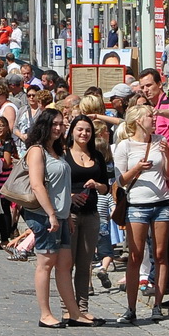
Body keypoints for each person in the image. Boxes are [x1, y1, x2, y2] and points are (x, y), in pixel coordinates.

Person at [19, 118, 90, 326]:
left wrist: (65, 214)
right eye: (54, 124)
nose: (58, 128)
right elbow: (37, 185)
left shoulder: (57, 151)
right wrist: (51, 213)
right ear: (44, 125)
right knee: (46, 263)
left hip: (60, 214)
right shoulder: (37, 150)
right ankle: (45, 314)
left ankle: (73, 312)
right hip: (44, 214)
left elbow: (63, 188)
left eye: (61, 124)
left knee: (65, 264)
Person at [113, 104, 169, 325]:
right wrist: (137, 168)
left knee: (160, 254)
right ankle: (131, 307)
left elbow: (168, 174)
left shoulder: (160, 141)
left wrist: (167, 155)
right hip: (137, 205)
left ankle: (157, 305)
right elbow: (120, 181)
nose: (154, 118)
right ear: (139, 120)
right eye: (150, 116)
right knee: (135, 256)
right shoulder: (125, 146)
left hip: (162, 203)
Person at [65, 115, 110, 321]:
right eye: (80, 129)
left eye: (88, 130)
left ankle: (82, 308)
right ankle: (67, 309)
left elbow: (106, 187)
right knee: (67, 263)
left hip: (91, 214)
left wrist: (97, 185)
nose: (84, 134)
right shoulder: (63, 154)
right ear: (72, 131)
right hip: (70, 214)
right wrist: (71, 196)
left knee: (85, 263)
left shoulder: (97, 156)